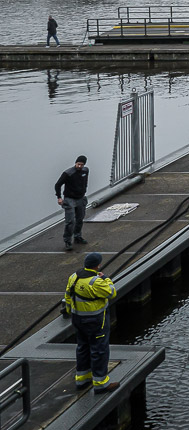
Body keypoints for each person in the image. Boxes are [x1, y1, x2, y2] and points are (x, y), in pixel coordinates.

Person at [63, 252, 119, 393]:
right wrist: (105, 278)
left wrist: (70, 311)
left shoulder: (73, 277)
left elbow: (68, 296)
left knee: (82, 347)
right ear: (98, 265)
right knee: (99, 350)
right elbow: (112, 293)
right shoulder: (96, 281)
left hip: (77, 320)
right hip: (95, 321)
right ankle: (101, 384)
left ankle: (82, 379)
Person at [54, 155, 89, 251]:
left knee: (80, 219)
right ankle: (67, 241)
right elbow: (58, 185)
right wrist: (59, 197)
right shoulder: (68, 173)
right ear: (75, 163)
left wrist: (84, 190)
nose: (79, 166)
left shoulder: (85, 171)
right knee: (70, 221)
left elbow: (85, 181)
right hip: (70, 199)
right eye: (78, 164)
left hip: (80, 198)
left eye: (81, 165)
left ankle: (77, 236)